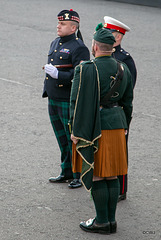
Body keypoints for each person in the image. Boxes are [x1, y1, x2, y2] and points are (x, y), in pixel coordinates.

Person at [69, 24, 133, 234]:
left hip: (92, 127)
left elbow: (75, 102)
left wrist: (74, 129)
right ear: (112, 48)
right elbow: (128, 103)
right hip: (117, 125)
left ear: (95, 46)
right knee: (112, 175)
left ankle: (101, 221)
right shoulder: (123, 68)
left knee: (96, 175)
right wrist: (125, 126)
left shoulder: (84, 68)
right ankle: (111, 221)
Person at [42, 9, 90, 188]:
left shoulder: (80, 48)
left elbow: (81, 75)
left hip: (67, 99)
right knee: (61, 138)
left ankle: (78, 174)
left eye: (62, 24)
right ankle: (66, 171)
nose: (58, 26)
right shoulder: (55, 42)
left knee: (73, 138)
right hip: (53, 98)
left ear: (73, 27)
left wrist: (58, 75)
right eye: (58, 23)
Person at [104, 16, 137, 201]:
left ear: (118, 37)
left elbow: (128, 89)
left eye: (109, 34)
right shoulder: (105, 54)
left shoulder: (125, 59)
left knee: (120, 150)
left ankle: (121, 189)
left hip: (118, 111)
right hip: (103, 111)